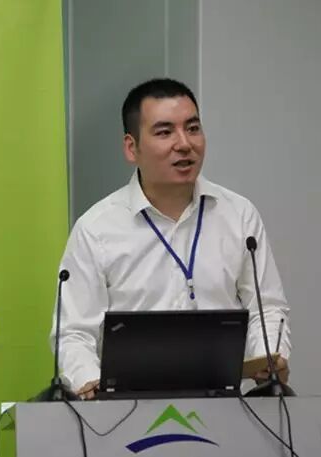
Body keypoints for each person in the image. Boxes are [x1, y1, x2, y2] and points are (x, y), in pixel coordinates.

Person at [52, 78, 290, 400]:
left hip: (225, 408)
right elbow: (73, 333)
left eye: (193, 128)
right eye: (165, 132)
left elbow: (267, 308)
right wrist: (92, 385)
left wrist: (268, 358)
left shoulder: (239, 215)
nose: (184, 144)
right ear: (131, 147)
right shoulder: (96, 229)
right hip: (125, 411)